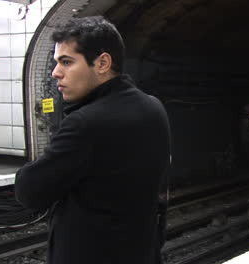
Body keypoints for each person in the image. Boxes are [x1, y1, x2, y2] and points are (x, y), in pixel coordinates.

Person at [14, 16, 171, 264]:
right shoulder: (153, 108)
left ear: (102, 63)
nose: (56, 73)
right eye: (56, 63)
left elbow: (29, 191)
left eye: (66, 62)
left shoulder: (85, 124)